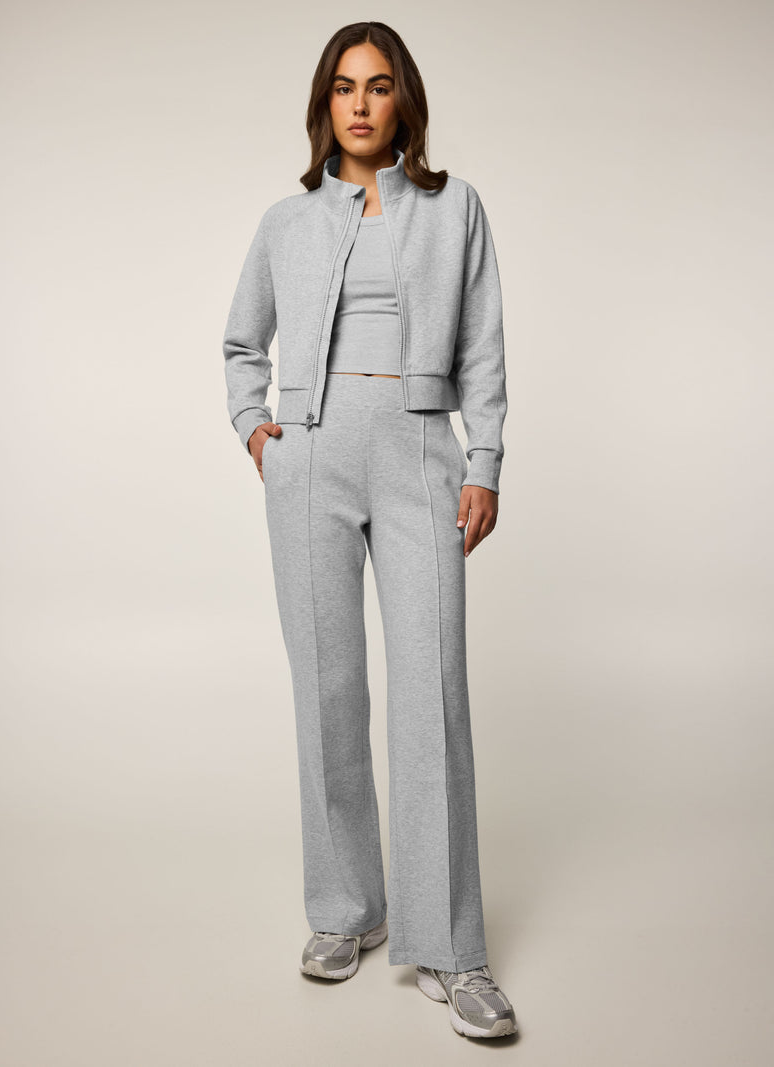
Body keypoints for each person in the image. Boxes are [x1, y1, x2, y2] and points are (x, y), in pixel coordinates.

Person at [222, 21, 516, 1040]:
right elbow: (240, 342)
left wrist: (482, 461)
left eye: (378, 85)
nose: (359, 103)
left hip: (418, 453)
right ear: (325, 104)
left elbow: (483, 345)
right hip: (308, 461)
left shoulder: (454, 208)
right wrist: (257, 429)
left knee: (432, 691)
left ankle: (450, 944)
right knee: (328, 690)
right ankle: (346, 908)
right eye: (344, 87)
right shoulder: (285, 221)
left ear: (403, 101)